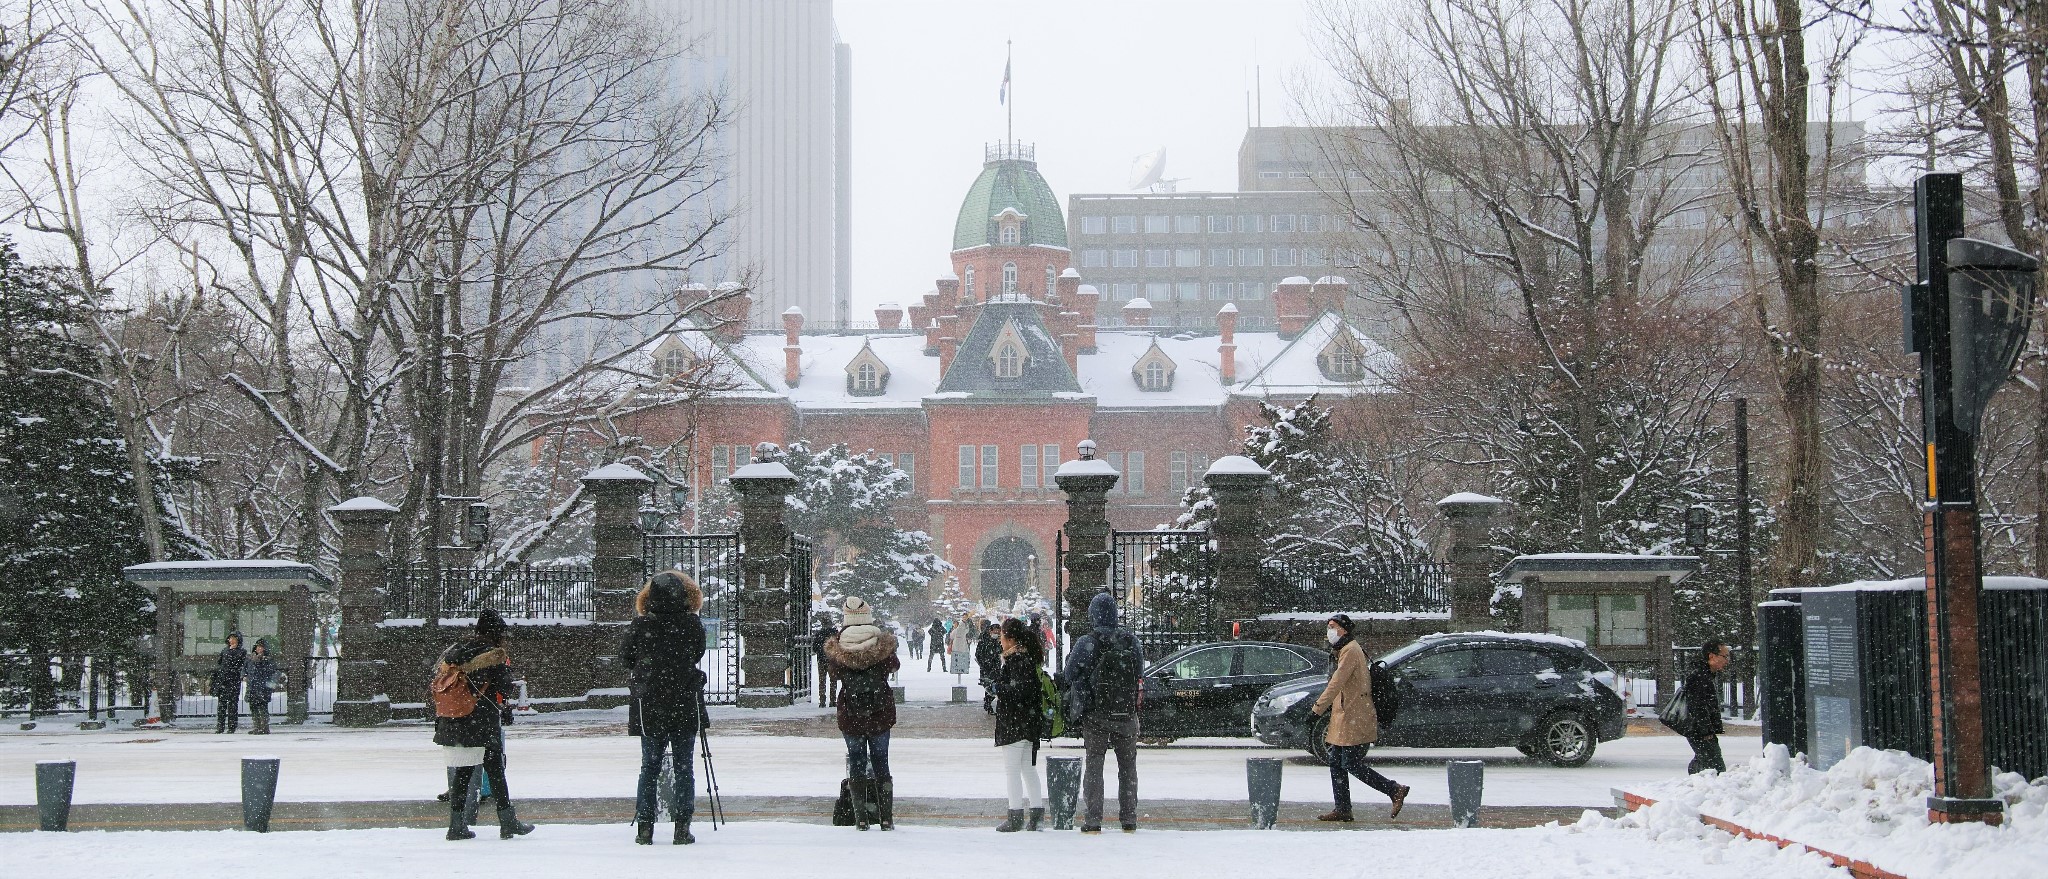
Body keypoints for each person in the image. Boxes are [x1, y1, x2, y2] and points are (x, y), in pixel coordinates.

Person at [622, 571, 709, 845]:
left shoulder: (641, 625)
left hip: (650, 705)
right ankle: (682, 826)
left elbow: (626, 658)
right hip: (684, 701)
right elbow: (697, 653)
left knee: (649, 767)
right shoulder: (691, 624)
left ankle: (645, 827)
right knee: (685, 767)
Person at [434, 609, 533, 841]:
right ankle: (508, 823)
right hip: (481, 720)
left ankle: (456, 825)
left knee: (464, 770)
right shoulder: (492, 655)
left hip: (455, 718)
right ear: (496, 633)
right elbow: (505, 687)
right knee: (496, 770)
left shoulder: (457, 651)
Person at [1310, 614, 1409, 822]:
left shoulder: (1350, 651)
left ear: (1343, 630)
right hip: (1345, 714)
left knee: (1350, 763)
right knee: (1336, 762)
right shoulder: (1343, 649)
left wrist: (1316, 709)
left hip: (1355, 714)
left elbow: (1336, 682)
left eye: (1332, 626)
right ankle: (1343, 808)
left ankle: (1394, 789)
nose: (1329, 631)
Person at [1060, 592, 1145, 833]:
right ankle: (1129, 818)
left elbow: (1069, 675)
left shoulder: (1087, 642)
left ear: (1093, 615)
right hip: (1126, 714)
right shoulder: (1131, 641)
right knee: (1128, 767)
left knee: (1095, 765)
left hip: (1096, 714)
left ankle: (1093, 819)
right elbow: (1139, 671)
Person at [824, 596, 900, 830]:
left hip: (851, 713)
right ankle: (885, 818)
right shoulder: (880, 642)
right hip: (879, 713)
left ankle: (861, 818)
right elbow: (893, 666)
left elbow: (834, 674)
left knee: (856, 762)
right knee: (881, 763)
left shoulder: (840, 645)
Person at [989, 617, 1046, 832]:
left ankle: (1015, 816)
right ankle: (1037, 815)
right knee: (1028, 769)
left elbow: (1018, 692)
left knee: (1012, 770)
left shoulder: (1017, 661)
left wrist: (998, 689)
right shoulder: (1028, 659)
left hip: (1014, 724)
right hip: (1028, 723)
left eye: (1002, 637)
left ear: (1011, 639)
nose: (1000, 641)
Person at [1684, 639, 1730, 774]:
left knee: (1705, 762)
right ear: (1711, 656)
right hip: (1700, 731)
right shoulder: (1699, 676)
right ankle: (1698, 785)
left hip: (1701, 730)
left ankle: (1695, 783)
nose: (1727, 660)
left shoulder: (1705, 675)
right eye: (1724, 656)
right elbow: (1697, 705)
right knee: (1716, 768)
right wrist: (1706, 731)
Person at [211, 632, 247, 734]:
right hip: (223, 680)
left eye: (233, 638)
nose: (231, 640)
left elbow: (240, 664)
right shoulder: (225, 650)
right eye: (230, 638)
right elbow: (220, 663)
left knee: (232, 704)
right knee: (221, 705)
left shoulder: (241, 651)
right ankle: (220, 726)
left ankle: (232, 726)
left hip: (234, 680)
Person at [241, 638, 279, 735]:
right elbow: (244, 669)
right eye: (258, 647)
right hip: (252, 686)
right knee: (253, 707)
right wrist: (244, 676)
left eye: (261, 647)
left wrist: (269, 686)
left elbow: (273, 673)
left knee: (262, 707)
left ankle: (264, 727)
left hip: (263, 688)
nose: (259, 649)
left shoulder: (268, 660)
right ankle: (257, 726)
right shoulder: (250, 659)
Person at [812, 615, 835, 708]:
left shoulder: (819, 634)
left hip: (821, 659)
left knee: (822, 680)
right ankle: (833, 700)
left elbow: (815, 647)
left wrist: (820, 652)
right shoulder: (834, 633)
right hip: (832, 660)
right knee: (833, 680)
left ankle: (822, 700)